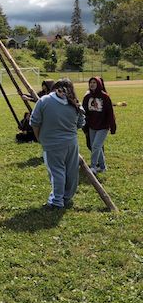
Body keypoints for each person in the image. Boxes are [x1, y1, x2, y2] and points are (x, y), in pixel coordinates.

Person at [30, 78, 86, 209]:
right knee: (71, 171)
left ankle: (56, 201)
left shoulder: (44, 101)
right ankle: (66, 196)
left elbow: (34, 122)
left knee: (57, 172)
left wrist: (40, 138)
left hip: (52, 144)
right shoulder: (75, 103)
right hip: (71, 143)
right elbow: (80, 123)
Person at [82, 77, 116, 174]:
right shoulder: (87, 97)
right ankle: (102, 167)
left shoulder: (105, 97)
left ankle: (93, 167)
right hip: (92, 126)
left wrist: (112, 126)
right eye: (90, 82)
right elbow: (85, 112)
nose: (92, 84)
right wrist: (85, 126)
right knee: (96, 147)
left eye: (94, 82)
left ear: (99, 84)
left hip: (103, 126)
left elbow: (110, 113)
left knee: (96, 146)